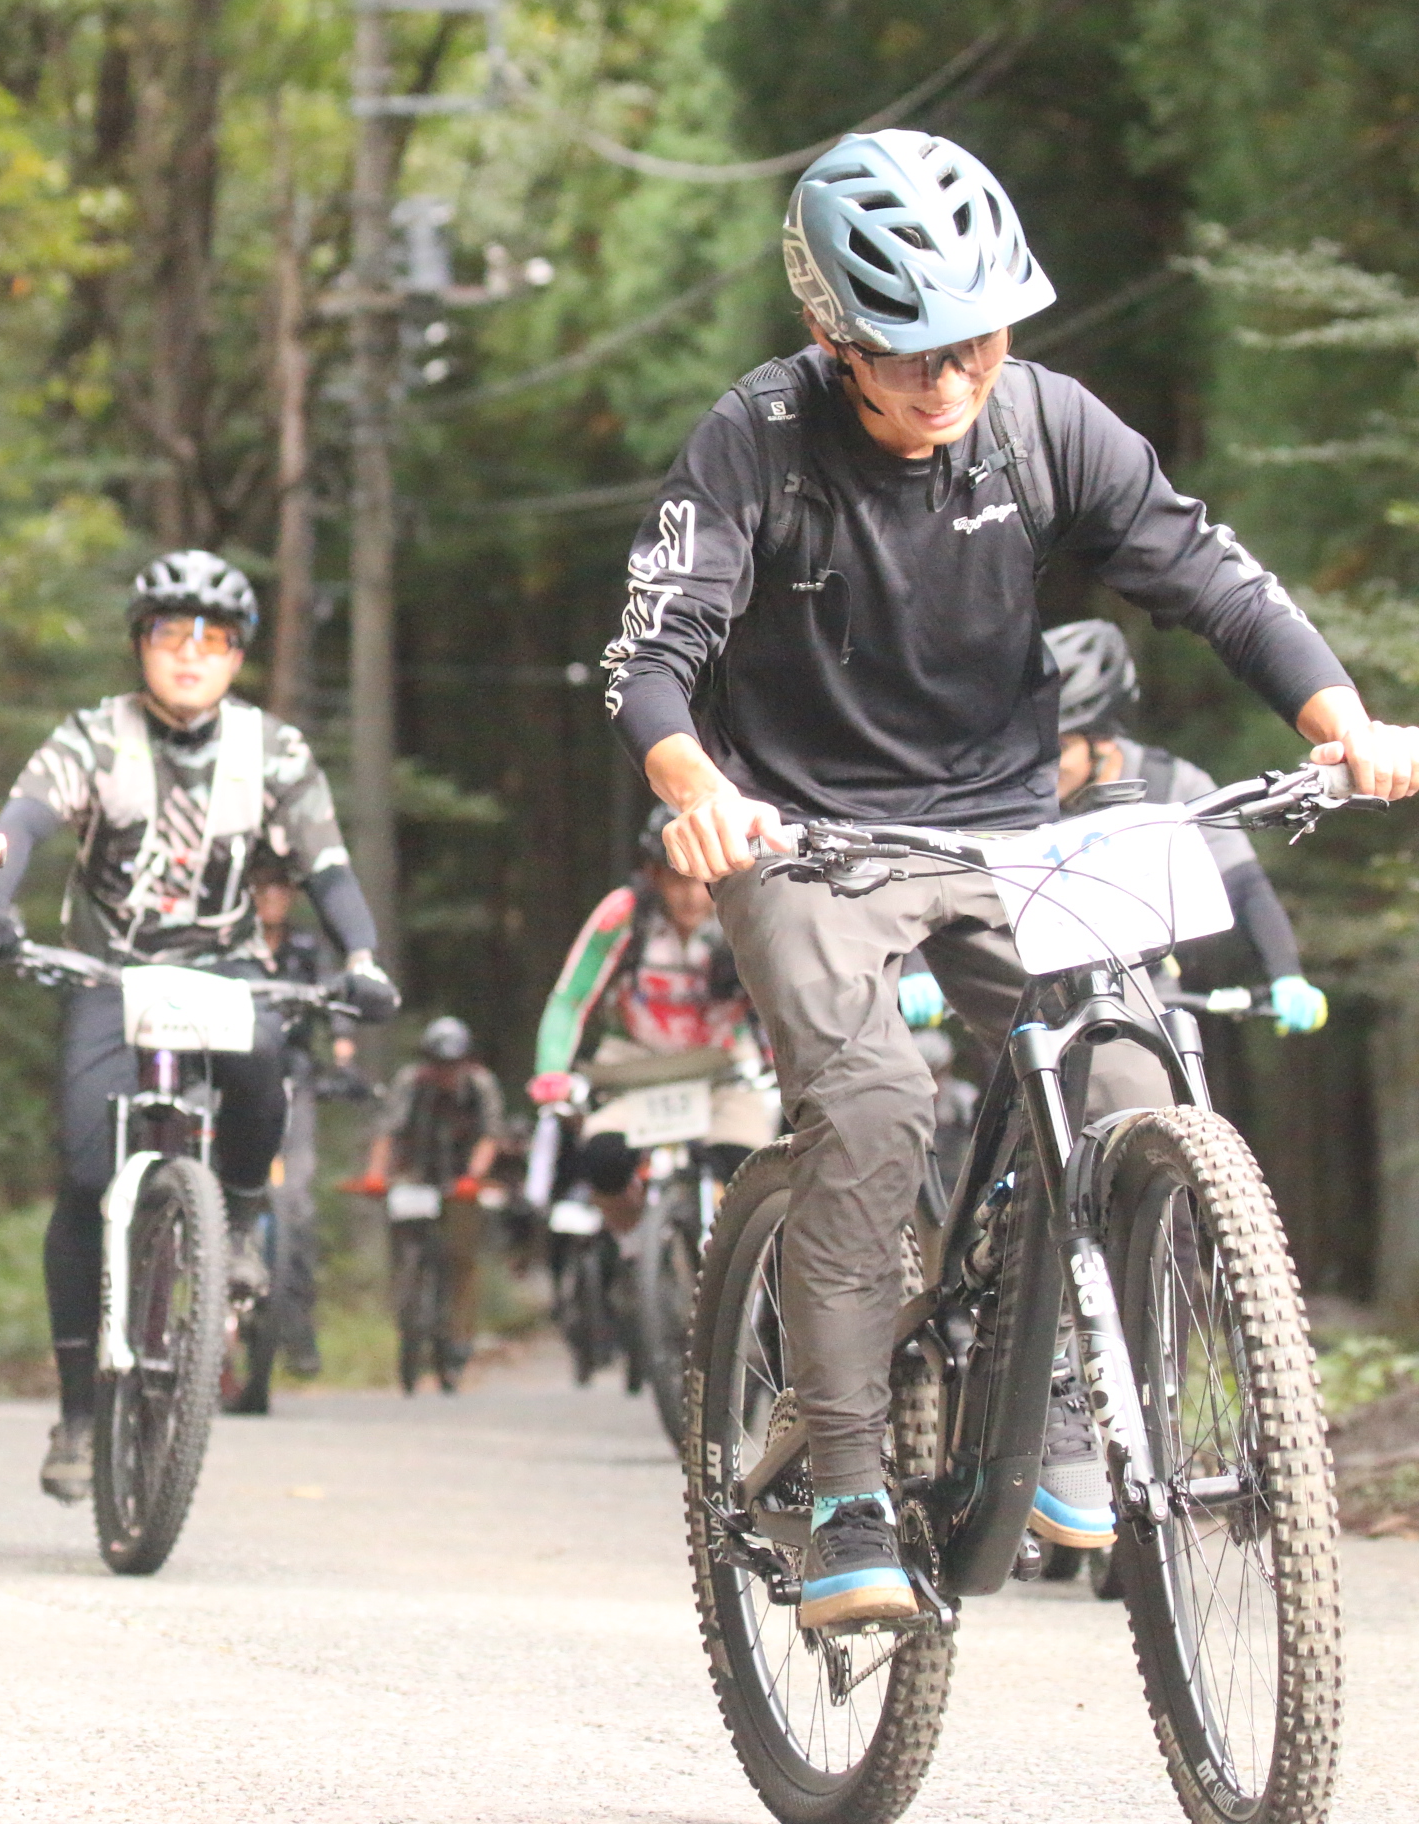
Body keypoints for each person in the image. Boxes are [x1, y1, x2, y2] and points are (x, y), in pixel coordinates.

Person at [601, 127, 1419, 1629]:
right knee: (873, 1102)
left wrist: (1341, 719)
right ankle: (843, 1480)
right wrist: (696, 788)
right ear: (833, 337)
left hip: (1010, 829)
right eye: (911, 353)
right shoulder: (756, 439)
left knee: (1126, 1075)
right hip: (804, 837)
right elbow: (655, 654)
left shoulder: (1044, 425)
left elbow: (1208, 575)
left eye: (976, 343)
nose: (949, 380)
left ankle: (1056, 1386)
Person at [0, 550, 397, 1499]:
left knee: (265, 1055)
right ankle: (79, 1414)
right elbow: (20, 823)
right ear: (139, 645)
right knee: (83, 1177)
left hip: (226, 970)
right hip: (109, 972)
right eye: (169, 634)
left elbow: (325, 866)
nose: (191, 654)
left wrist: (361, 957)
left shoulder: (273, 750)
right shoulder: (94, 736)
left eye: (213, 638)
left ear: (238, 655)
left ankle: (239, 1217)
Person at [1048, 617, 1328, 1033]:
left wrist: (1286, 975)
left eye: (1058, 747)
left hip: (1144, 990)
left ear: (1102, 738)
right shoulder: (1015, 796)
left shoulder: (1173, 787)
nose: (1041, 766)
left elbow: (1243, 884)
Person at [525, 807, 775, 1230]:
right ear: (654, 875)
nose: (691, 895)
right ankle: (629, 1239)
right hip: (635, 1067)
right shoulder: (624, 915)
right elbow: (570, 999)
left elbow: (777, 994)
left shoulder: (746, 912)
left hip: (723, 1067)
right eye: (678, 878)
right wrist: (551, 1071)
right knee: (603, 1160)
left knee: (750, 1174)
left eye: (701, 878)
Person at [347, 1017, 508, 1392]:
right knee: (404, 1248)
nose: (445, 1072)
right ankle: (407, 1311)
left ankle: (459, 1340)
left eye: (452, 1064)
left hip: (459, 1183)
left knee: (462, 1258)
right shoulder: (410, 1082)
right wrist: (376, 1174)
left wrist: (473, 1176)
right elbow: (388, 1130)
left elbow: (490, 1136)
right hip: (415, 1177)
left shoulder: (481, 1086)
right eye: (438, 1064)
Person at [249, 857, 360, 1378]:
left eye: (281, 888)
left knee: (296, 1204)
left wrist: (343, 1055)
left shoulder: (306, 949)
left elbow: (335, 1002)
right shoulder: (231, 945)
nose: (272, 897)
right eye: (262, 888)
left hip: (293, 1080)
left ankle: (297, 1324)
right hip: (235, 1078)